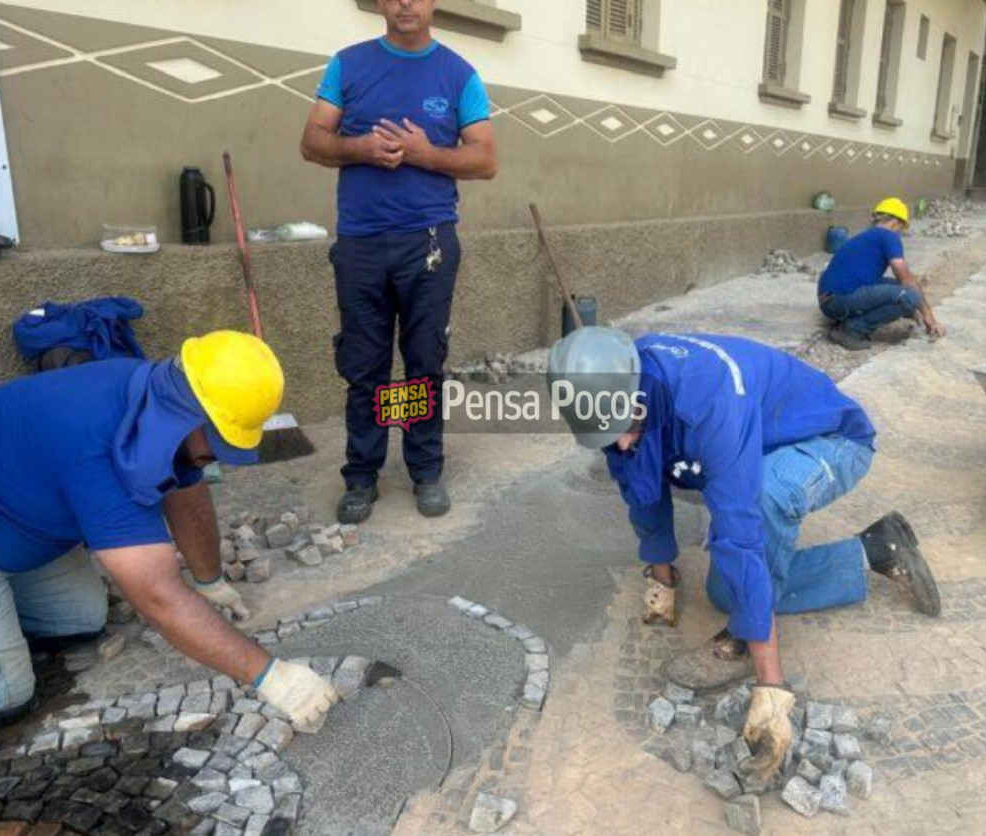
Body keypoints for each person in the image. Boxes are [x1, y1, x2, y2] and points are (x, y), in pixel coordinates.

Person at [548, 327, 942, 780]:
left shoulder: (708, 401)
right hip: (757, 443)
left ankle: (747, 640)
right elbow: (638, 480)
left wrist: (771, 691)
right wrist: (662, 576)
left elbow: (739, 534)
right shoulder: (622, 389)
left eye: (623, 429)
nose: (618, 443)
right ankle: (874, 550)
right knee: (723, 590)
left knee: (760, 508)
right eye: (605, 435)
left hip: (829, 442)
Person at [0, 331, 338, 730]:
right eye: (217, 443)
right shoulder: (95, 448)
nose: (217, 458)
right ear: (191, 417)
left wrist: (210, 580)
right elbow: (157, 595)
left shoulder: (154, 400)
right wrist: (272, 678)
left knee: (82, 618)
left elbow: (185, 485)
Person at [299, 0, 498, 525]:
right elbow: (312, 141)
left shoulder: (458, 74)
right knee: (364, 367)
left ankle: (424, 470)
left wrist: (423, 153)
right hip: (361, 242)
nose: (406, 2)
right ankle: (362, 475)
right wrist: (360, 148)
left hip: (427, 242)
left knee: (421, 363)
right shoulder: (348, 63)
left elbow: (485, 159)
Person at [817, 197, 945, 351]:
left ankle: (849, 320)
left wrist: (913, 309)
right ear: (896, 223)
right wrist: (928, 315)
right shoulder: (887, 235)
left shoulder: (869, 235)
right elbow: (906, 279)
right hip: (837, 301)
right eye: (901, 228)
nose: (900, 232)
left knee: (898, 288)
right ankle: (851, 330)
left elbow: (900, 281)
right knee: (909, 296)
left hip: (831, 300)